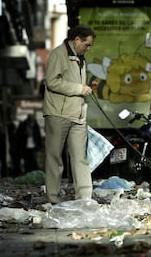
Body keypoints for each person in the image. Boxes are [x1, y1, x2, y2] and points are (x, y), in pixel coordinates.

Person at [43, 25, 95, 204]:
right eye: (87, 44)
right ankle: (53, 198)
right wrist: (79, 89)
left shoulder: (81, 58)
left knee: (81, 158)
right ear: (77, 40)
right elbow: (52, 82)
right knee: (54, 158)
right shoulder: (59, 54)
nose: (88, 48)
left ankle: (85, 198)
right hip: (58, 113)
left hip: (78, 115)